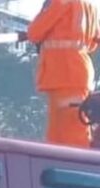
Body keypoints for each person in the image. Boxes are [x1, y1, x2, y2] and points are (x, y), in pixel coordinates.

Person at [19, 0, 100, 148]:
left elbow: (34, 32)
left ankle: (77, 168)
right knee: (58, 138)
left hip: (65, 74)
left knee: (72, 137)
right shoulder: (89, 4)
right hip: (72, 74)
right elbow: (94, 40)